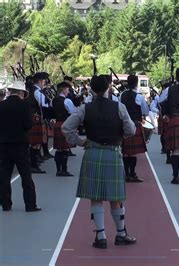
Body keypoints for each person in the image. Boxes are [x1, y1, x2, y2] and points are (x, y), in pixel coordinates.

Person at [62, 75, 137, 249]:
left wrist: (81, 142)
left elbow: (66, 128)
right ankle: (121, 234)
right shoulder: (119, 107)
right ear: (108, 87)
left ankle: (101, 236)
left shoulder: (84, 108)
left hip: (93, 153)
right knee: (115, 196)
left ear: (91, 90)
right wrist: (119, 137)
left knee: (96, 197)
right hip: (112, 153)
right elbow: (131, 130)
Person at [0, 81, 41, 212]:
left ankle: (6, 204)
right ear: (21, 92)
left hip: (4, 144)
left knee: (4, 175)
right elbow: (28, 124)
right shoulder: (25, 105)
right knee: (26, 175)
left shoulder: (1, 105)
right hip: (20, 143)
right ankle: (30, 205)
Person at [120, 75, 150, 182]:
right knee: (132, 153)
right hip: (135, 125)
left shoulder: (121, 95)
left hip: (124, 125)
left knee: (125, 152)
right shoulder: (139, 97)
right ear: (136, 83)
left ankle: (126, 174)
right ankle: (132, 174)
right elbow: (145, 111)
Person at [52, 82, 77, 176]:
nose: (68, 91)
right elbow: (73, 112)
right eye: (67, 89)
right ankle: (64, 170)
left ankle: (58, 170)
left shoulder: (53, 100)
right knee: (65, 148)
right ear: (63, 89)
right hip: (66, 124)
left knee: (59, 149)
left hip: (57, 124)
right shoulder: (67, 101)